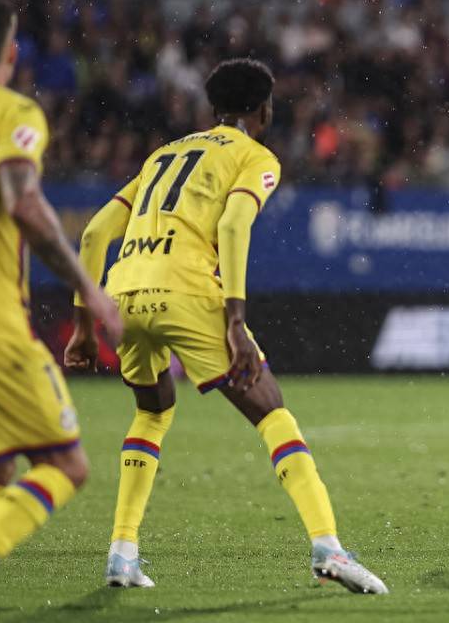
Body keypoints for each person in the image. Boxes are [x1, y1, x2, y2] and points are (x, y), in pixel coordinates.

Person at [63, 58, 388, 594]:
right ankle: (328, 547)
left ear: (214, 107)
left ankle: (122, 553)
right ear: (264, 110)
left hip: (124, 296)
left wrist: (82, 322)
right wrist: (235, 319)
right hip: (187, 291)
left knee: (152, 411)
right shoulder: (254, 155)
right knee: (272, 412)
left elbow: (96, 232)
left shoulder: (163, 154)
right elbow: (235, 224)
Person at [0, 0, 122, 623]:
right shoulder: (13, 112)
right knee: (65, 462)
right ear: (11, 54)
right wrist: (90, 288)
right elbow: (24, 202)